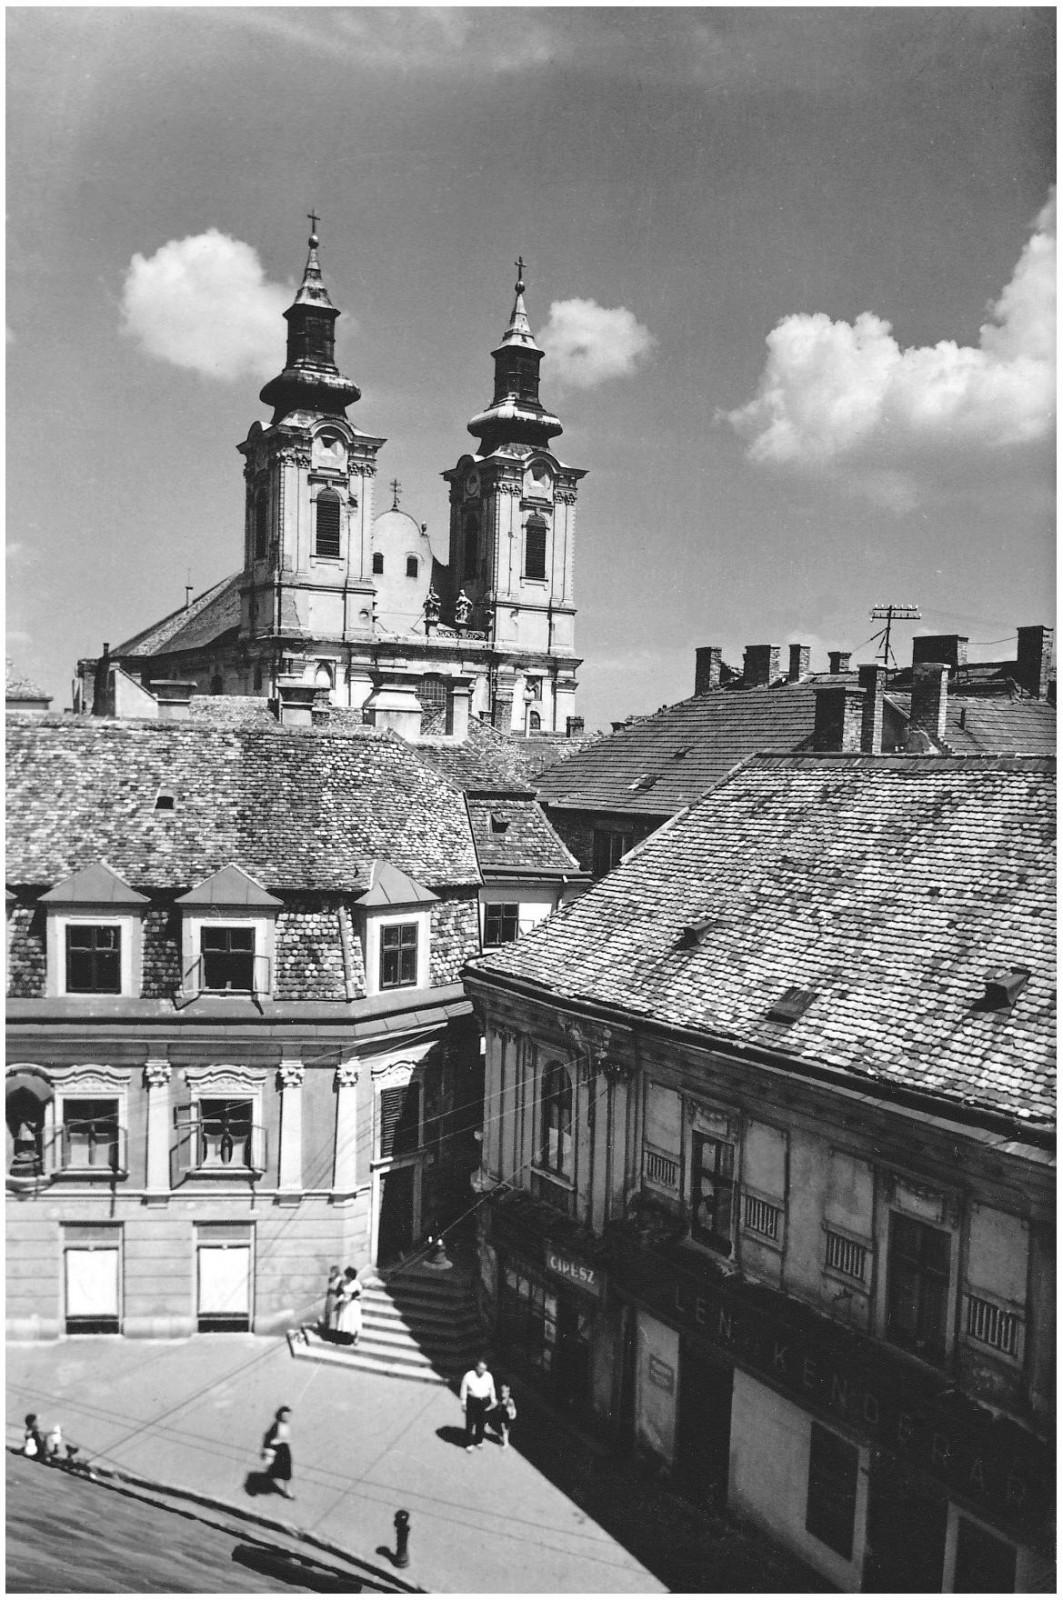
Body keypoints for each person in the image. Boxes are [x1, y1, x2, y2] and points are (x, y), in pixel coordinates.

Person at [459, 1358, 497, 1451]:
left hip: (484, 1401)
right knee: (470, 1422)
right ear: (476, 1367)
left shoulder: (488, 1376)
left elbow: (492, 1388)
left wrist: (493, 1399)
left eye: (484, 1369)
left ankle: (478, 1441)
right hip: (472, 1401)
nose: (482, 1371)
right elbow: (463, 1388)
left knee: (481, 1422)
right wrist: (463, 1402)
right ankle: (468, 1443)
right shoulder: (469, 1375)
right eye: (480, 1368)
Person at [261, 1406, 294, 1499]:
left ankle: (287, 1491)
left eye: (288, 1415)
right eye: (284, 1415)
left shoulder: (286, 1424)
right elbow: (267, 1436)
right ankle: (267, 1484)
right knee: (275, 1469)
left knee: (287, 1469)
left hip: (285, 1448)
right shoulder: (276, 1425)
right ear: (280, 1416)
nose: (286, 1417)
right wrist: (266, 1450)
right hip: (277, 1449)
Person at [335, 1266, 363, 1347]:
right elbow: (339, 1292)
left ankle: (356, 1337)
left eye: (349, 1276)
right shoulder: (343, 1283)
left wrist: (353, 1297)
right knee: (345, 1320)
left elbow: (360, 1295)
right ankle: (344, 1338)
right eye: (347, 1276)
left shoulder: (356, 1284)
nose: (347, 1278)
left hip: (353, 1305)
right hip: (345, 1304)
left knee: (354, 1320)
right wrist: (342, 1297)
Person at [492, 1383, 517, 1449]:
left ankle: (506, 1444)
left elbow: (512, 1410)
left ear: (508, 1393)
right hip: (503, 1417)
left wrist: (511, 1414)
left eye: (503, 1392)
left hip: (507, 1419)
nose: (501, 1393)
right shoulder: (503, 1400)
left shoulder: (509, 1401)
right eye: (501, 1391)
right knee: (504, 1430)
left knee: (505, 1430)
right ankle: (505, 1441)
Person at [323, 1264, 344, 1339]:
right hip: (329, 1298)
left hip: (335, 1299)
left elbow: (341, 1292)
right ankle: (327, 1332)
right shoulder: (330, 1280)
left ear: (336, 1273)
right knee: (327, 1314)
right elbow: (328, 1290)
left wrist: (339, 1301)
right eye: (331, 1272)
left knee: (333, 1316)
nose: (331, 1274)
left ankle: (333, 1334)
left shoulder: (340, 1281)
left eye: (333, 1272)